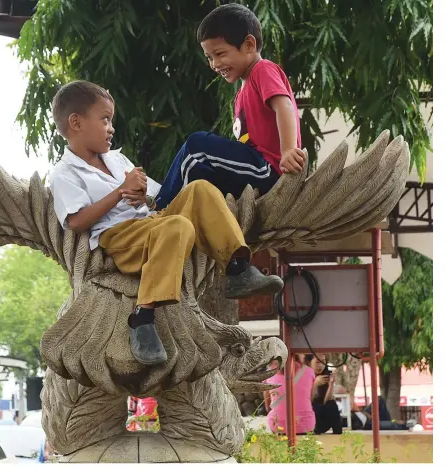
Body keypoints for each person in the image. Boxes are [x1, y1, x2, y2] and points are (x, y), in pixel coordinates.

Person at [48, 80, 284, 366]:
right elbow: (76, 221)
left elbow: (158, 195)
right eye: (105, 120)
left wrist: (141, 196)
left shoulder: (116, 159)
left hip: (152, 223)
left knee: (200, 189)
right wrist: (120, 192)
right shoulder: (63, 173)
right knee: (178, 227)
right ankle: (142, 317)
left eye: (111, 120)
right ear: (76, 122)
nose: (111, 128)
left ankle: (238, 269)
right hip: (120, 238)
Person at [154, 4, 305, 209]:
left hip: (268, 168)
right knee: (200, 171)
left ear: (249, 44)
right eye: (209, 57)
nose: (215, 64)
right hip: (251, 169)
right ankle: (187, 219)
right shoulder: (241, 94)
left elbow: (285, 105)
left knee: (196, 147)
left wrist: (288, 150)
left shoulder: (262, 70)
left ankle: (160, 209)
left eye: (220, 53)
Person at [263, 354, 316, 436]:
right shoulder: (309, 371)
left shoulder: (269, 373)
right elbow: (310, 399)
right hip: (306, 424)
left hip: (277, 424)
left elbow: (267, 406)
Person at [305, 354, 343, 434]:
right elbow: (307, 404)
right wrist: (315, 385)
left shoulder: (325, 376)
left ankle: (338, 432)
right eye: (318, 362)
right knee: (316, 406)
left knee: (332, 403)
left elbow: (326, 402)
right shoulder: (305, 377)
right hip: (310, 419)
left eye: (323, 362)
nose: (321, 365)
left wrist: (331, 385)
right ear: (309, 363)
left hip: (322, 419)